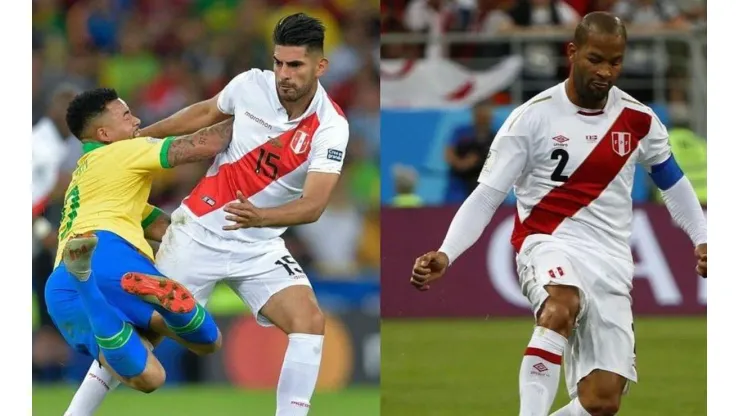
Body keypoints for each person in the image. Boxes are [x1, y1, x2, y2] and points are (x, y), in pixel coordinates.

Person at [409, 12, 707, 416]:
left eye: (615, 62)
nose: (606, 72)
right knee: (561, 303)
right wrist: (446, 252)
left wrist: (702, 237)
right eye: (595, 59)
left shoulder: (639, 120)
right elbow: (486, 197)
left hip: (612, 259)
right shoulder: (531, 118)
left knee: (602, 402)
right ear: (572, 52)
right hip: (547, 241)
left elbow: (672, 182)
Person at [66, 12, 350, 416]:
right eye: (279, 62)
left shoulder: (330, 127)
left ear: (320, 66)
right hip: (197, 233)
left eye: (295, 65)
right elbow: (202, 114)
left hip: (260, 243)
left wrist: (259, 220)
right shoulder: (251, 84)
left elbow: (315, 204)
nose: (283, 74)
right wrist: (141, 139)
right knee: (142, 342)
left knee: (308, 321)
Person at [45, 88, 233, 414]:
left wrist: (197, 235)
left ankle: (90, 285)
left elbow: (160, 226)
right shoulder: (122, 153)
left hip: (63, 284)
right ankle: (160, 304)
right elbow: (204, 144)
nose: (138, 120)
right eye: (127, 116)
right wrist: (259, 116)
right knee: (208, 341)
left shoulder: (87, 175)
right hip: (113, 255)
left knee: (150, 376)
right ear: (104, 133)